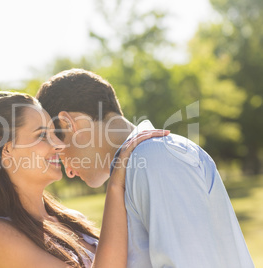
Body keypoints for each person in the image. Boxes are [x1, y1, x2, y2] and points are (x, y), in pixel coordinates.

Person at [36, 69, 255, 268]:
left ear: (67, 123)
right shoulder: (138, 167)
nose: (70, 172)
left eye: (59, 149)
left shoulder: (154, 158)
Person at [0, 91, 168, 268]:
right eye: (42, 135)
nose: (59, 144)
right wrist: (115, 186)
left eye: (55, 134)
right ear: (6, 149)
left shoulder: (72, 220)